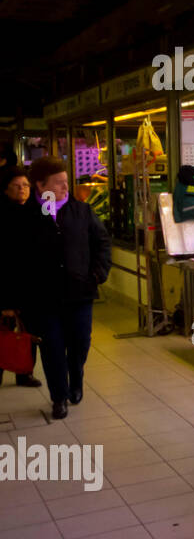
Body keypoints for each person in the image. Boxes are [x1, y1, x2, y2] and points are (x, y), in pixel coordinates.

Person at [20, 157, 110, 419]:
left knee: (80, 343)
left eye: (66, 182)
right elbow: (15, 257)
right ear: (40, 185)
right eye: (58, 183)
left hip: (80, 293)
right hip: (43, 298)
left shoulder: (81, 211)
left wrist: (97, 273)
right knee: (52, 348)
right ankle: (58, 397)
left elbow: (102, 243)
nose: (65, 187)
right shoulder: (26, 218)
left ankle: (76, 379)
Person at [0, 166, 42, 389]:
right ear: (6, 189)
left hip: (30, 287)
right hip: (7, 286)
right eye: (16, 186)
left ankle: (25, 373)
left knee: (29, 333)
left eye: (26, 185)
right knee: (4, 333)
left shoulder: (34, 211)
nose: (22, 190)